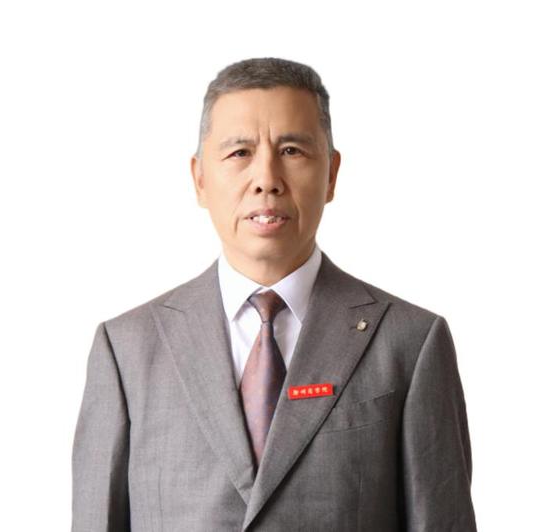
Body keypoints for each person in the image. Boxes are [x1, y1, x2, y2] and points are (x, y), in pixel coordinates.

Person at [72, 57, 477, 531]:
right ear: (200, 178)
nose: (266, 179)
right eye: (239, 153)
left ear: (331, 174)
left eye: (291, 150)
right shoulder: (127, 349)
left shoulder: (409, 342)